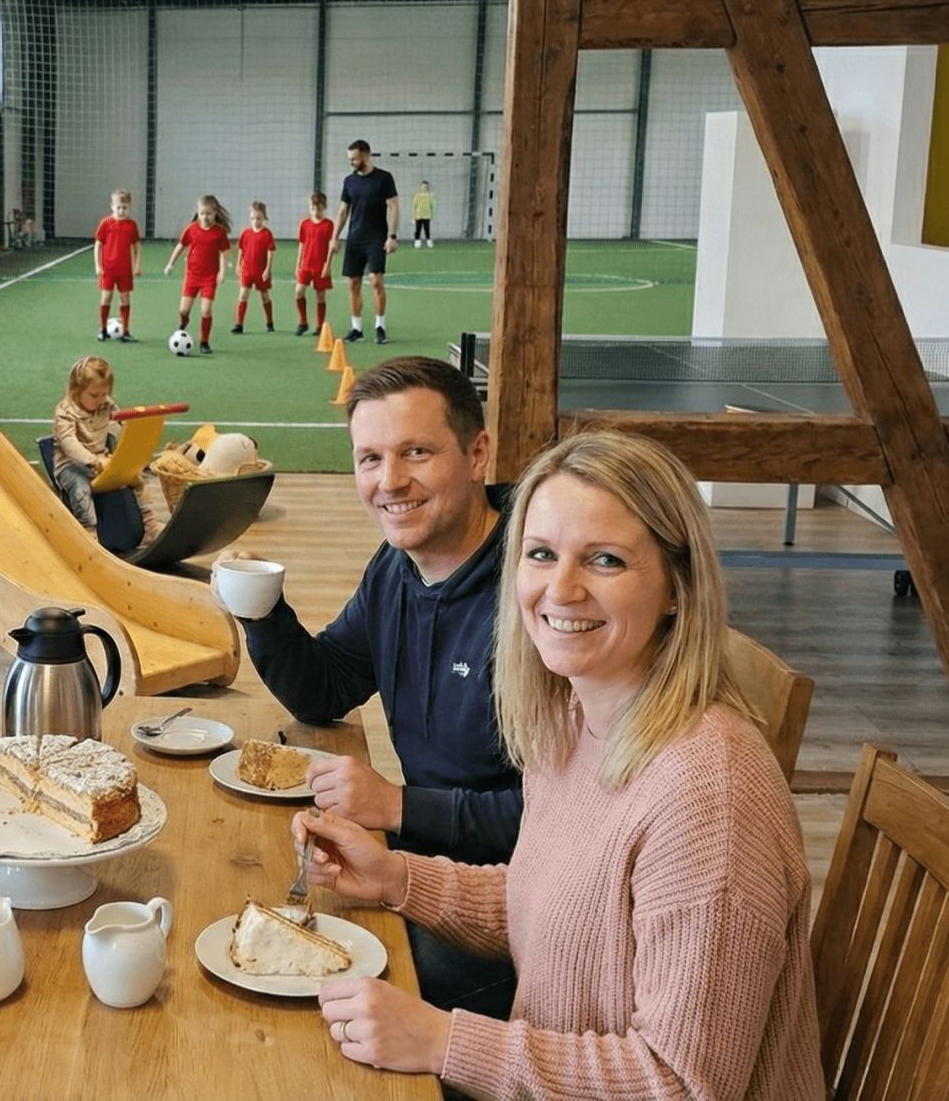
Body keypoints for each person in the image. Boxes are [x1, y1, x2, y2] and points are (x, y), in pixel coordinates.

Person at [299, 429, 822, 1100]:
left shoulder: (708, 797)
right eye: (541, 554)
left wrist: (442, 1040)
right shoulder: (574, 718)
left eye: (604, 560)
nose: (561, 589)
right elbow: (554, 907)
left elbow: (682, 1084)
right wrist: (396, 877)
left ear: (676, 588)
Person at [231, 355, 521, 1019]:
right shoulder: (397, 566)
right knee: (258, 924)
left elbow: (557, 820)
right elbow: (326, 688)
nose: (390, 482)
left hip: (512, 917)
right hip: (415, 869)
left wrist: (397, 806)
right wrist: (262, 608)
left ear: (478, 454)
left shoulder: (539, 598)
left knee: (299, 989)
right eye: (369, 459)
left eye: (416, 452)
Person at [49, 355, 160, 541]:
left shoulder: (106, 405)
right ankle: (89, 532)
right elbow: (69, 443)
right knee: (80, 488)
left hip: (102, 460)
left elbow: (122, 424)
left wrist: (137, 444)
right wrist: (93, 460)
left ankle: (150, 523)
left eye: (104, 394)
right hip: (71, 465)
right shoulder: (65, 411)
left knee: (135, 478)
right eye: (94, 395)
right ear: (76, 390)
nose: (101, 400)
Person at [332, 139, 400, 345]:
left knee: (376, 281)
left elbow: (394, 207)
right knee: (353, 283)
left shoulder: (384, 179)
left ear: (366, 155)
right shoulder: (349, 181)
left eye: (354, 158)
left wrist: (392, 236)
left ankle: (380, 327)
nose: (351, 162)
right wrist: (334, 237)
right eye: (349, 159)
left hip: (376, 237)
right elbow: (343, 211)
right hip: (354, 239)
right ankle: (356, 329)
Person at [162, 194, 232, 355]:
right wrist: (170, 264)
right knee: (183, 310)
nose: (204, 217)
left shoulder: (219, 233)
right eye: (201, 213)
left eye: (208, 214)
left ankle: (204, 341)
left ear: (216, 213)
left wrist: (222, 272)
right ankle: (182, 325)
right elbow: (180, 246)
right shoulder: (191, 229)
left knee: (206, 311)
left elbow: (225, 252)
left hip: (209, 278)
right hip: (192, 276)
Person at [94, 189, 142, 342]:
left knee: (125, 298)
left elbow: (137, 246)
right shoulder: (106, 223)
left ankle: (126, 331)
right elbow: (98, 245)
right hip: (108, 269)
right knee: (106, 297)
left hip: (125, 270)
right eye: (119, 207)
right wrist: (97, 265)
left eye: (125, 207)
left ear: (130, 207)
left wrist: (137, 265)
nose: (122, 211)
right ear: (112, 207)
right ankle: (102, 329)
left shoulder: (131, 225)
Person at [292, 191, 335, 339]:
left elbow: (331, 247)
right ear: (309, 207)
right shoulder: (304, 224)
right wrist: (298, 265)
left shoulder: (329, 225)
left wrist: (327, 265)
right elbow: (302, 245)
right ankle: (303, 322)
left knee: (320, 296)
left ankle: (320, 326)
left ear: (324, 207)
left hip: (320, 266)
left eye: (319, 207)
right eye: (313, 207)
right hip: (306, 266)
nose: (315, 210)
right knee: (299, 291)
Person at [231, 201, 277, 335]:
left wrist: (267, 269)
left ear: (264, 218)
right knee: (243, 295)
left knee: (265, 296)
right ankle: (239, 324)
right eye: (253, 218)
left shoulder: (267, 234)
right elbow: (241, 250)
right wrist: (238, 265)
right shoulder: (246, 233)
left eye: (259, 218)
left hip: (261, 272)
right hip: (247, 271)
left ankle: (269, 323)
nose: (255, 221)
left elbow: (270, 252)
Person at [411, 180, 436, 248]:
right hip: (418, 216)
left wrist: (432, 217)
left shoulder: (430, 195)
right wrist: (413, 217)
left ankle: (428, 241)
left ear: (428, 187)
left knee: (427, 229)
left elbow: (432, 206)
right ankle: (417, 241)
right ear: (421, 187)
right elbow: (414, 206)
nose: (424, 188)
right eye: (423, 186)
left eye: (426, 186)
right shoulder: (417, 195)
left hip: (427, 216)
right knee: (418, 229)